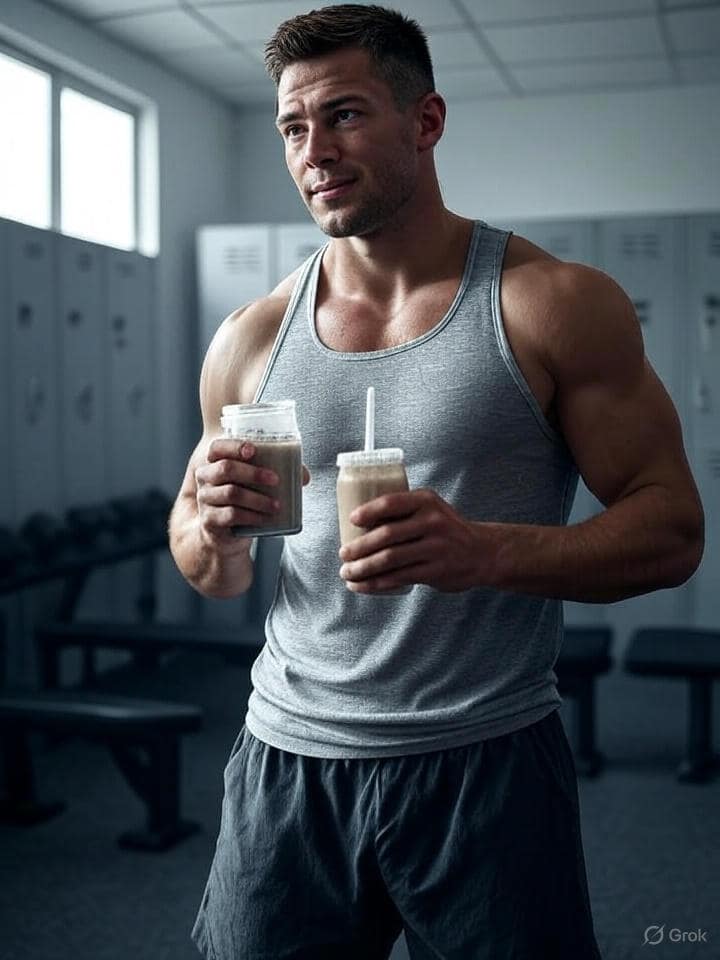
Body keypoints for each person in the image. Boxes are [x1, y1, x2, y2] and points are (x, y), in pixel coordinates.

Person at [170, 5, 705, 959]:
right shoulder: (251, 337)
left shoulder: (550, 303)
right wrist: (210, 529)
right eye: (294, 127)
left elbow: (671, 532)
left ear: (426, 121)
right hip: (288, 761)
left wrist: (487, 549)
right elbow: (214, 570)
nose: (313, 151)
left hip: (487, 760)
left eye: (343, 114)